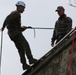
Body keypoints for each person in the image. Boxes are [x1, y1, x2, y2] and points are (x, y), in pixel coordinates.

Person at [1, 1, 37, 70]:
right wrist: (3, 26)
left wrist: (22, 28)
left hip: (12, 34)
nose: (24, 9)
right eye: (23, 8)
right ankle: (30, 59)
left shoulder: (17, 15)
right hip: (15, 33)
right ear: (19, 7)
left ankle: (24, 64)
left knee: (20, 49)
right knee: (25, 44)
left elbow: (15, 26)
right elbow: (7, 18)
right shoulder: (15, 13)